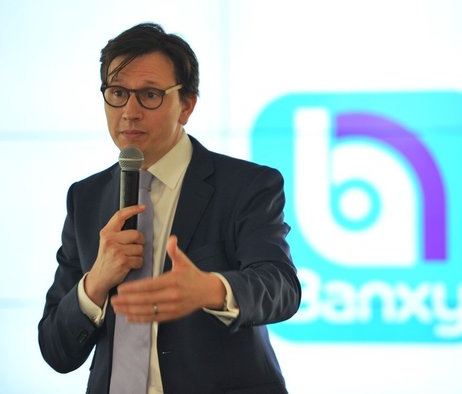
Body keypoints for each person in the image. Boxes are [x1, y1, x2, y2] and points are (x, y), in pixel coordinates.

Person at [38, 22, 301, 394]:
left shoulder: (246, 186)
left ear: (187, 105)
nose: (129, 111)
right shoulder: (86, 197)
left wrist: (211, 288)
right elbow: (55, 351)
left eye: (149, 95)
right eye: (117, 93)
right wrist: (95, 282)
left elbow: (281, 287)